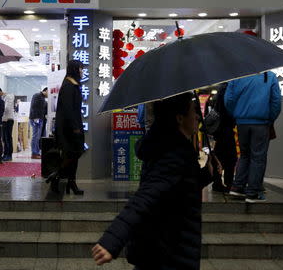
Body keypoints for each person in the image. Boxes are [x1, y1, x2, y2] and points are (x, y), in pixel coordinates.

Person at [92, 93, 215, 270]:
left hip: (162, 248)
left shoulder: (170, 148)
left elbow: (177, 187)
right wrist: (113, 239)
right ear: (179, 118)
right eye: (192, 110)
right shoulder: (173, 153)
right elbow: (145, 198)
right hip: (168, 253)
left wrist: (206, 174)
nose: (197, 116)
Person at [225, 72, 281, 203]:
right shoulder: (270, 76)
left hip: (241, 123)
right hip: (261, 122)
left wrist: (238, 114)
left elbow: (229, 100)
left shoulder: (236, 76)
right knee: (258, 157)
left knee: (244, 155)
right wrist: (269, 118)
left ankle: (237, 187)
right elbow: (276, 101)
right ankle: (252, 192)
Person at [51, 60, 85, 195]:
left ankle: (71, 182)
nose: (82, 71)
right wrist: (75, 127)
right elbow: (68, 109)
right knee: (71, 154)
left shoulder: (73, 84)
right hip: (69, 129)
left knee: (75, 154)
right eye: (80, 69)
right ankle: (56, 176)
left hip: (74, 126)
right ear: (74, 69)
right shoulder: (69, 86)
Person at [211, 83, 237, 193]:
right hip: (225, 127)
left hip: (220, 128)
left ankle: (218, 182)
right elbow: (228, 107)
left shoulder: (222, 88)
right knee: (230, 157)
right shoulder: (227, 88)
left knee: (220, 155)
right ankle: (227, 183)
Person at [29, 87, 48, 159]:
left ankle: (36, 152)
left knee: (38, 137)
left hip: (39, 119)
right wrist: (36, 119)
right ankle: (34, 153)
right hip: (36, 119)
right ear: (46, 90)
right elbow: (34, 107)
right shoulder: (37, 95)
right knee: (36, 136)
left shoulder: (42, 98)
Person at [1, 91, 15, 161]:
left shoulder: (8, 97)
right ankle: (5, 154)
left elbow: (7, 108)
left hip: (8, 120)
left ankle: (9, 155)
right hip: (5, 120)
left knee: (8, 138)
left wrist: (0, 111)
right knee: (4, 138)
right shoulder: (4, 98)